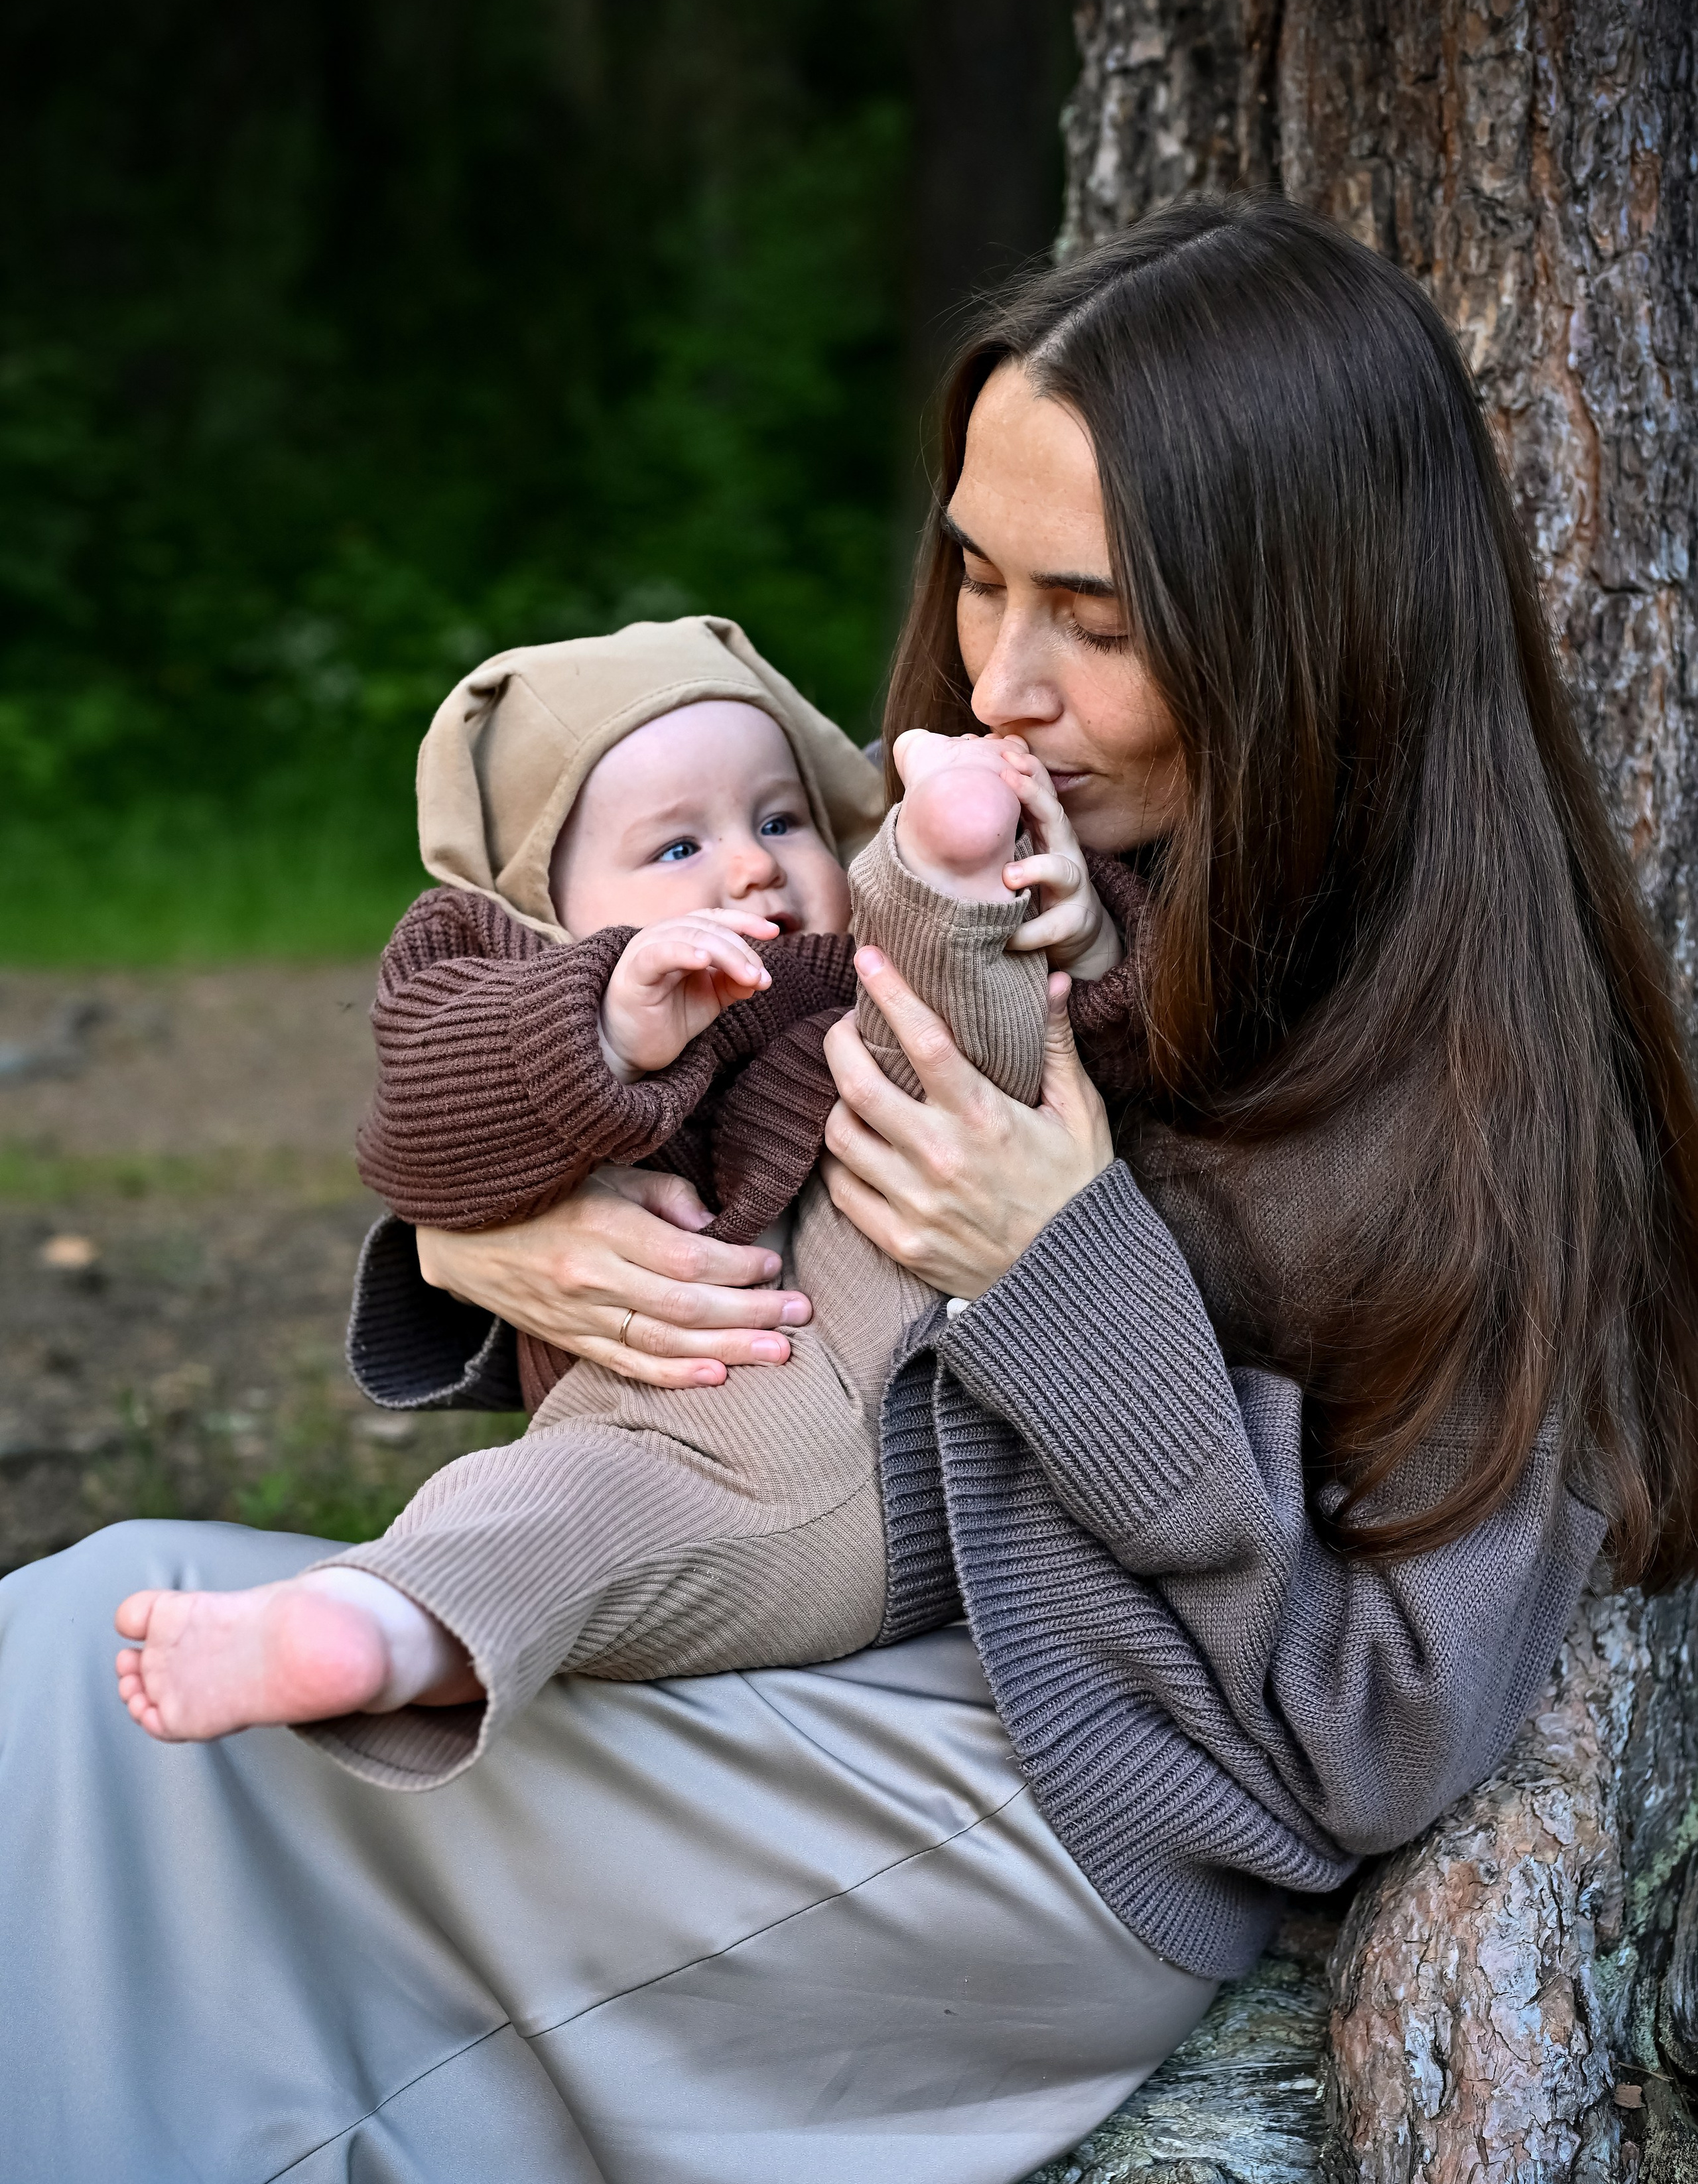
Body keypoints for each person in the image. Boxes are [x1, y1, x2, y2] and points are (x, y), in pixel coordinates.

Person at [6, 193, 1697, 2184]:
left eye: (1092, 618)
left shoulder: (1500, 1110)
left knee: (205, 2098)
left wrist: (1064, 1276)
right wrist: (502, 1234)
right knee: (65, 1678)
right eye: (983, 576)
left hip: (1046, 1810)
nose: (995, 674)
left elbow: (1367, 1734)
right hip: (815, 1634)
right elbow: (704, 1145)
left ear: (1312, 634)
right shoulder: (1039, 864)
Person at [110, 620, 1114, 1758]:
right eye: (676, 849)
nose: (751, 866)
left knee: (929, 1029)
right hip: (708, 1444)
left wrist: (1066, 929)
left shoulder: (845, 962)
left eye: (782, 820)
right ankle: (376, 1626)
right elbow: (418, 1133)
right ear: (547, 913)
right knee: (561, 1513)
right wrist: (601, 1022)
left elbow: (1086, 1043)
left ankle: (953, 871)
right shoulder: (515, 992)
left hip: (950, 1431)